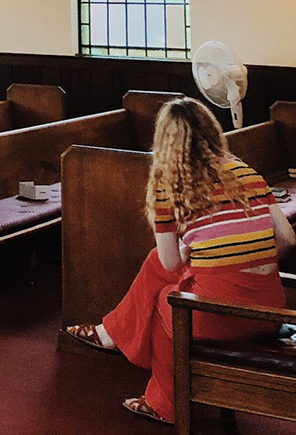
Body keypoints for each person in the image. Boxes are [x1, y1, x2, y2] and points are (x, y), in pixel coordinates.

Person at [67, 97, 295, 424]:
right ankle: (110, 331)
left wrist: (203, 256)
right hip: (271, 309)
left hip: (225, 317)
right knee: (154, 265)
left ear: (164, 139)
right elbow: (287, 238)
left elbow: (173, 263)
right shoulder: (246, 172)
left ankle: (164, 404)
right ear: (211, 130)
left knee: (167, 303)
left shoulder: (170, 184)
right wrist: (249, 261)